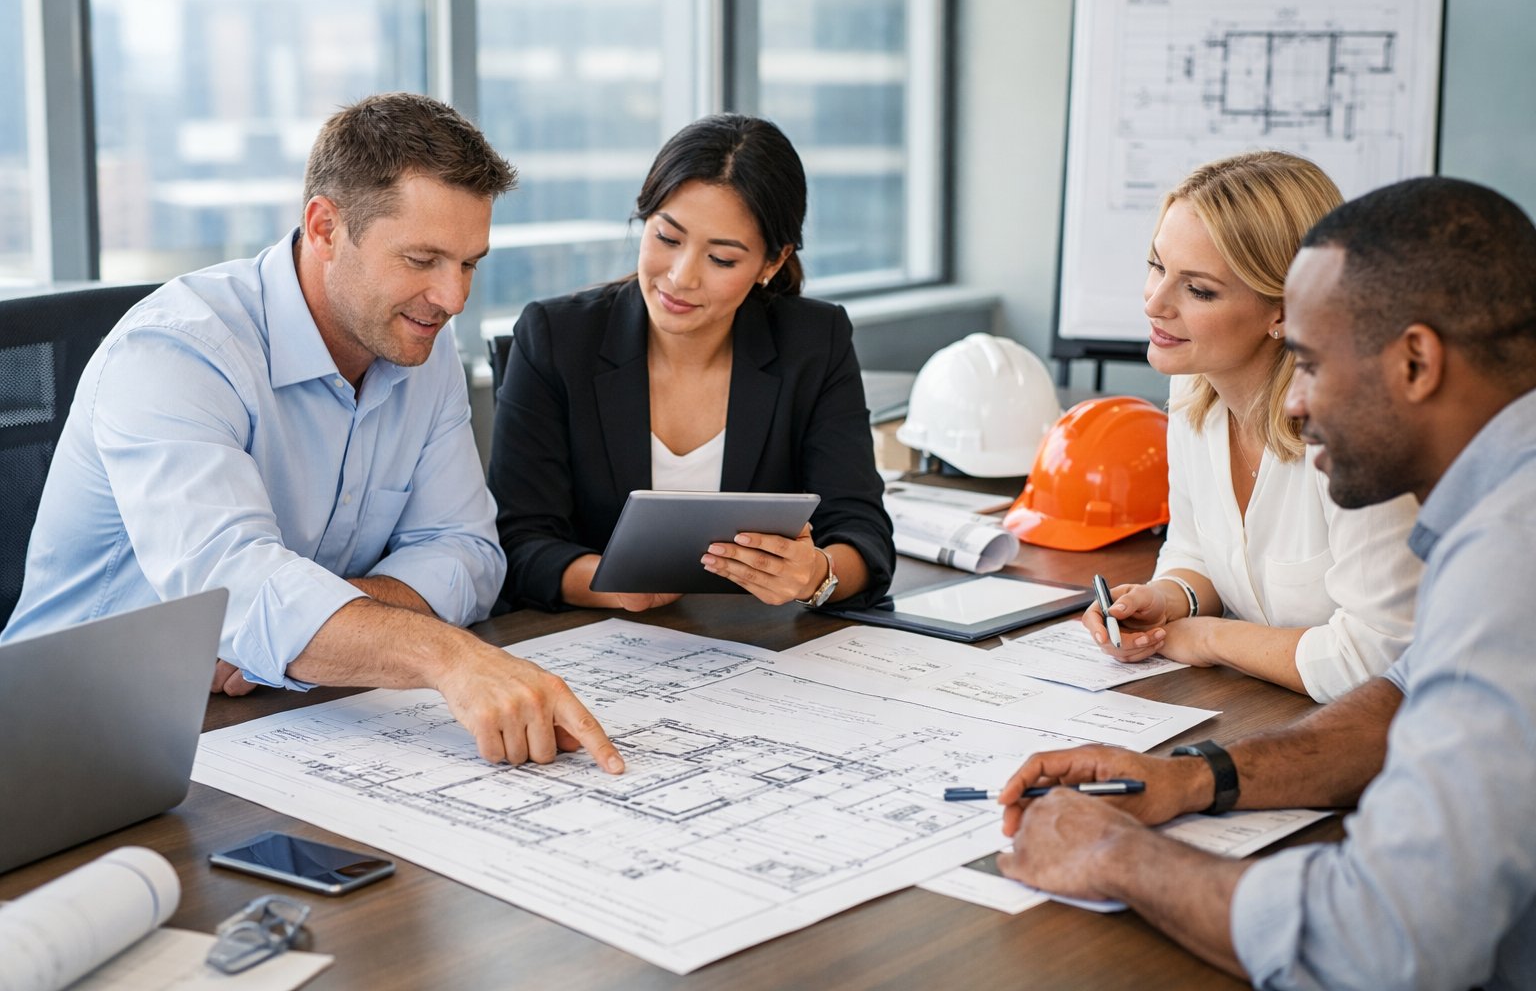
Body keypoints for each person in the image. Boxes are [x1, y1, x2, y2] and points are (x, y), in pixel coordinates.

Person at [997, 176, 1536, 989]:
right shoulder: (1501, 500)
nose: (1295, 404)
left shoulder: (1512, 550)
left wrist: (1117, 857)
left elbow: (1387, 942)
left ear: (1417, 362)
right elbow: (1403, 693)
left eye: (1312, 365)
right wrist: (1192, 778)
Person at [1, 92, 623, 775]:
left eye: (469, 263)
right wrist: (446, 656)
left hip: (270, 720)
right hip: (67, 738)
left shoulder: (421, 345)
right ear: (325, 227)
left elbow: (468, 555)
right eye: (422, 260)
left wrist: (302, 625)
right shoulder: (177, 352)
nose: (453, 299)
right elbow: (232, 592)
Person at [489, 114, 894, 613]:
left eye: (721, 259)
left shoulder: (814, 342)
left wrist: (816, 575)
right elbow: (519, 541)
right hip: (593, 647)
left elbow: (862, 529)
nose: (681, 278)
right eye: (667, 238)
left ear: (772, 262)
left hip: (758, 647)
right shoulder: (555, 338)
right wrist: (612, 584)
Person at [1083, 152, 1421, 701]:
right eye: (1156, 265)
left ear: (1286, 311)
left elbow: (1377, 660)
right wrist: (1166, 601)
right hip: (1273, 715)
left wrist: (1208, 639)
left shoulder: (1357, 430)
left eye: (1199, 290)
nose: (1155, 301)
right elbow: (1196, 551)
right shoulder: (1195, 383)